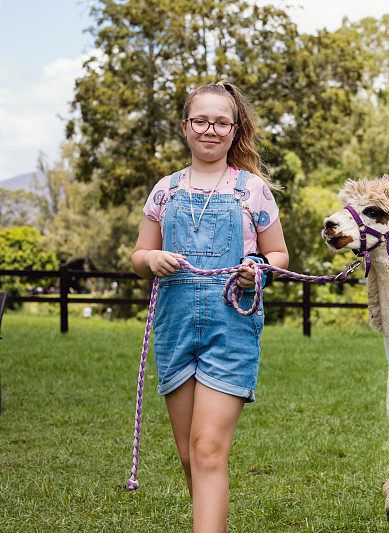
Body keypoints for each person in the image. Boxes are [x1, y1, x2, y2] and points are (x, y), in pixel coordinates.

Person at [131, 80, 289, 532]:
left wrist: (257, 265)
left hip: (230, 327)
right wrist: (152, 259)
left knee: (207, 450)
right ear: (185, 127)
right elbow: (139, 256)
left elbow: (278, 253)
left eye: (222, 122)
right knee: (189, 454)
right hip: (175, 325)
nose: (210, 130)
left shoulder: (251, 189)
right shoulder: (165, 190)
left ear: (234, 130)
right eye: (201, 121)